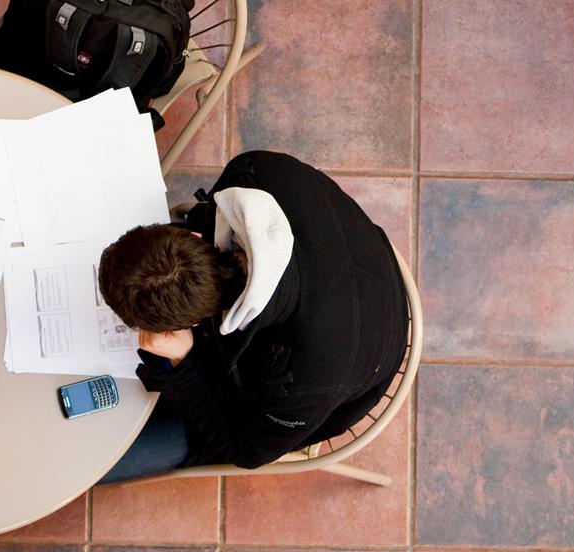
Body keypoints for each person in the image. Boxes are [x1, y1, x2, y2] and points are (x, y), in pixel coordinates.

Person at [97, 150, 408, 481]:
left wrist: (183, 366)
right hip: (351, 267)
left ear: (189, 326)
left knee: (98, 459)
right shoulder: (256, 170)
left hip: (341, 363)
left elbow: (246, 450)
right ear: (191, 236)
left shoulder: (305, 378)